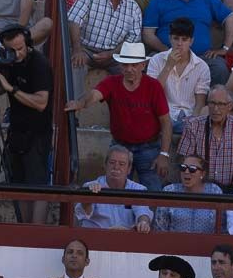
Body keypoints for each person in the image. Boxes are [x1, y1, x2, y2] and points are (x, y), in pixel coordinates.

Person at [65, 42, 173, 191]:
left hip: (148, 147)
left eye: (134, 65)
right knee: (117, 191)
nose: (129, 69)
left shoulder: (153, 86)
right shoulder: (111, 82)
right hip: (121, 145)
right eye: (125, 65)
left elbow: (166, 123)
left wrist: (164, 154)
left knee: (153, 192)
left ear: (143, 65)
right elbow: (95, 95)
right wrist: (81, 103)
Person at [0, 24, 53, 224]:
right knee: (18, 185)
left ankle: (36, 233)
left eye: (21, 48)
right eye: (12, 50)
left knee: (38, 187)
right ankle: (24, 230)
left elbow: (41, 102)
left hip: (37, 133)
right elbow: (0, 89)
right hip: (16, 131)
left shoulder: (39, 63)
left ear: (27, 42)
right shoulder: (8, 61)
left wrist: (11, 88)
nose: (17, 54)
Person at [141, 0, 233, 86]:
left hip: (202, 57)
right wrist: (166, 50)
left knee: (220, 68)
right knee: (151, 62)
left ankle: (212, 105)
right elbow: (148, 34)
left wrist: (225, 48)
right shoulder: (158, 1)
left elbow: (231, 18)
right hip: (167, 55)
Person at [66, 0, 143, 96]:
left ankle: (127, 114)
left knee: (134, 73)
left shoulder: (133, 8)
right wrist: (77, 49)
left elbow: (132, 40)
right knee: (75, 64)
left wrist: (112, 53)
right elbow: (74, 21)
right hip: (86, 49)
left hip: (115, 56)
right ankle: (74, 110)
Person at [177, 84, 233, 192]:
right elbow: (185, 161)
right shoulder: (193, 126)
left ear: (230, 106)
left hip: (230, 188)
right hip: (200, 188)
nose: (216, 108)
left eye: (221, 104)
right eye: (212, 103)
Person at [146, 17, 211, 131]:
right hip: (163, 115)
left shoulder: (202, 67)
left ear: (191, 41)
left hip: (190, 116)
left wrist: (193, 125)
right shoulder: (156, 60)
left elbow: (200, 103)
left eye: (184, 39)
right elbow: (151, 94)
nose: (179, 44)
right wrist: (168, 66)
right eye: (176, 39)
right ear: (170, 39)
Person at [74, 145, 154, 230]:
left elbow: (143, 213)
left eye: (121, 164)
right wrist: (89, 197)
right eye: (112, 162)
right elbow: (83, 213)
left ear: (129, 169)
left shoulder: (138, 189)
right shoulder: (90, 186)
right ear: (105, 165)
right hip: (96, 239)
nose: (116, 167)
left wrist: (143, 222)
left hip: (125, 240)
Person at [155, 153, 221, 232]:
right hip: (174, 242)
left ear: (202, 174)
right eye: (183, 168)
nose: (186, 172)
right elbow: (160, 227)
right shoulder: (169, 190)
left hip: (207, 243)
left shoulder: (214, 191)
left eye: (192, 169)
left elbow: (222, 225)